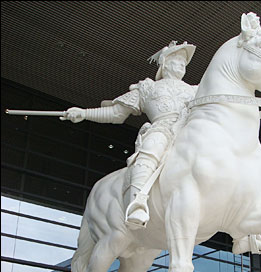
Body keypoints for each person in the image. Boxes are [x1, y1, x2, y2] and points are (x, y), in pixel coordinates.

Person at [61, 40, 197, 228]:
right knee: (151, 147)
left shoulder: (195, 90)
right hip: (163, 129)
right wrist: (84, 113)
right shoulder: (147, 87)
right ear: (164, 63)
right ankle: (137, 203)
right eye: (177, 61)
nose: (181, 66)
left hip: (190, 131)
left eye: (184, 63)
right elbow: (116, 113)